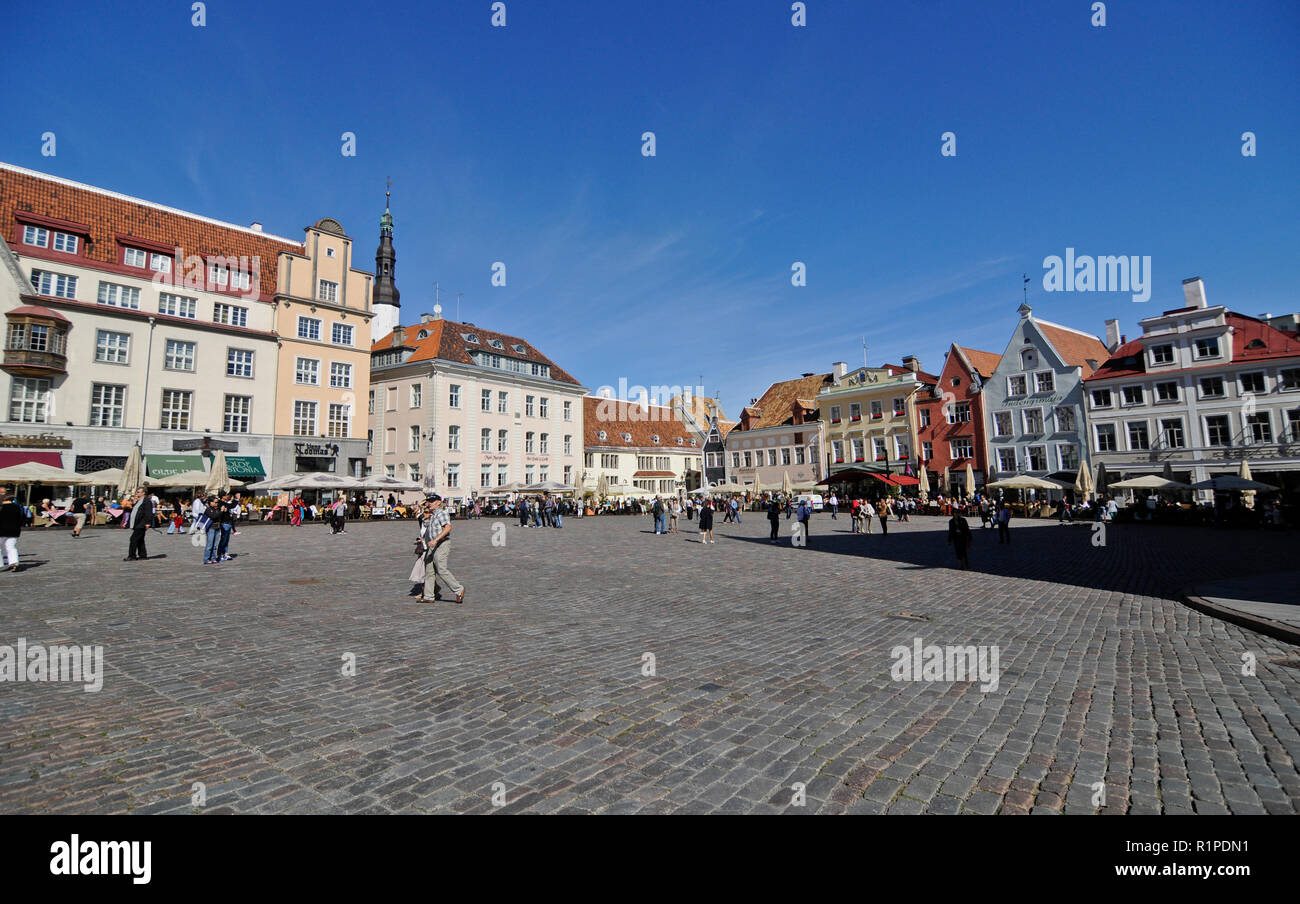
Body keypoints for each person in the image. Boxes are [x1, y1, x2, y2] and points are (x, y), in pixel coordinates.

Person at [418, 494, 464, 604]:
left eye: (432, 501)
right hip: (432, 545)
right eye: (428, 501)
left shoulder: (442, 513)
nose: (429, 503)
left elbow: (448, 528)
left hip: (441, 544)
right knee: (429, 570)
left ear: (439, 502)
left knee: (441, 569)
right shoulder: (432, 514)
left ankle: (458, 589)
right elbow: (426, 527)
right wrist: (424, 515)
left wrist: (436, 539)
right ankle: (429, 596)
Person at [125, 488, 154, 561]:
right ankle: (143, 555)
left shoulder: (146, 501)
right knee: (140, 540)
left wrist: (148, 523)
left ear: (143, 493)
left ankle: (132, 556)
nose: (136, 493)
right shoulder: (139, 501)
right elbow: (135, 512)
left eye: (138, 492)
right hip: (137, 523)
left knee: (133, 539)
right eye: (137, 492)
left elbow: (148, 513)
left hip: (142, 523)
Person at [0, 486, 22, 572]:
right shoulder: (17, 507)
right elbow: (21, 519)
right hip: (14, 530)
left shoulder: (1, 508)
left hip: (1, 530)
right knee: (11, 547)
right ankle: (14, 562)